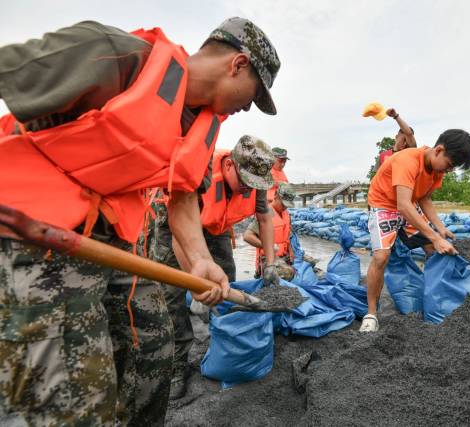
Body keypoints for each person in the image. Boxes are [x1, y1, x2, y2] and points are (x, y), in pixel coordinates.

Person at [0, 17, 280, 426]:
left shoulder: (202, 126)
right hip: (34, 235)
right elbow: (11, 71)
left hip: (113, 242)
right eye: (253, 95)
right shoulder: (117, 55)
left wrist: (200, 260)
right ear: (237, 64)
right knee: (73, 397)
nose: (247, 107)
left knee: (151, 353)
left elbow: (183, 195)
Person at [159, 135, 280, 399]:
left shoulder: (255, 179)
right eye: (245, 184)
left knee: (228, 281)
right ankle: (178, 364)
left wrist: (271, 263)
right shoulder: (199, 170)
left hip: (217, 227)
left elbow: (265, 219)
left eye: (254, 186)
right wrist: (196, 282)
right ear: (228, 166)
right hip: (175, 226)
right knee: (171, 296)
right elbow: (181, 226)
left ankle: (224, 346)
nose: (249, 190)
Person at [361, 130, 470, 332]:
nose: (448, 171)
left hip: (407, 204)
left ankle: (435, 300)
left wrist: (440, 229)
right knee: (381, 257)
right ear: (439, 150)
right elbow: (403, 206)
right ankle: (371, 313)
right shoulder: (408, 160)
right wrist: (434, 235)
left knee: (434, 248)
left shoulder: (437, 170)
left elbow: (424, 198)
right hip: (384, 205)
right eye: (449, 165)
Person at [244, 182, 297, 281]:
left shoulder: (286, 214)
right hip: (268, 258)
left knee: (307, 263)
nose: (285, 207)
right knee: (287, 273)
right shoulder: (265, 213)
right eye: (283, 204)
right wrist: (267, 247)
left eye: (287, 205)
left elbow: (287, 236)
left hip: (284, 256)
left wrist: (291, 251)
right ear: (276, 195)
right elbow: (247, 236)